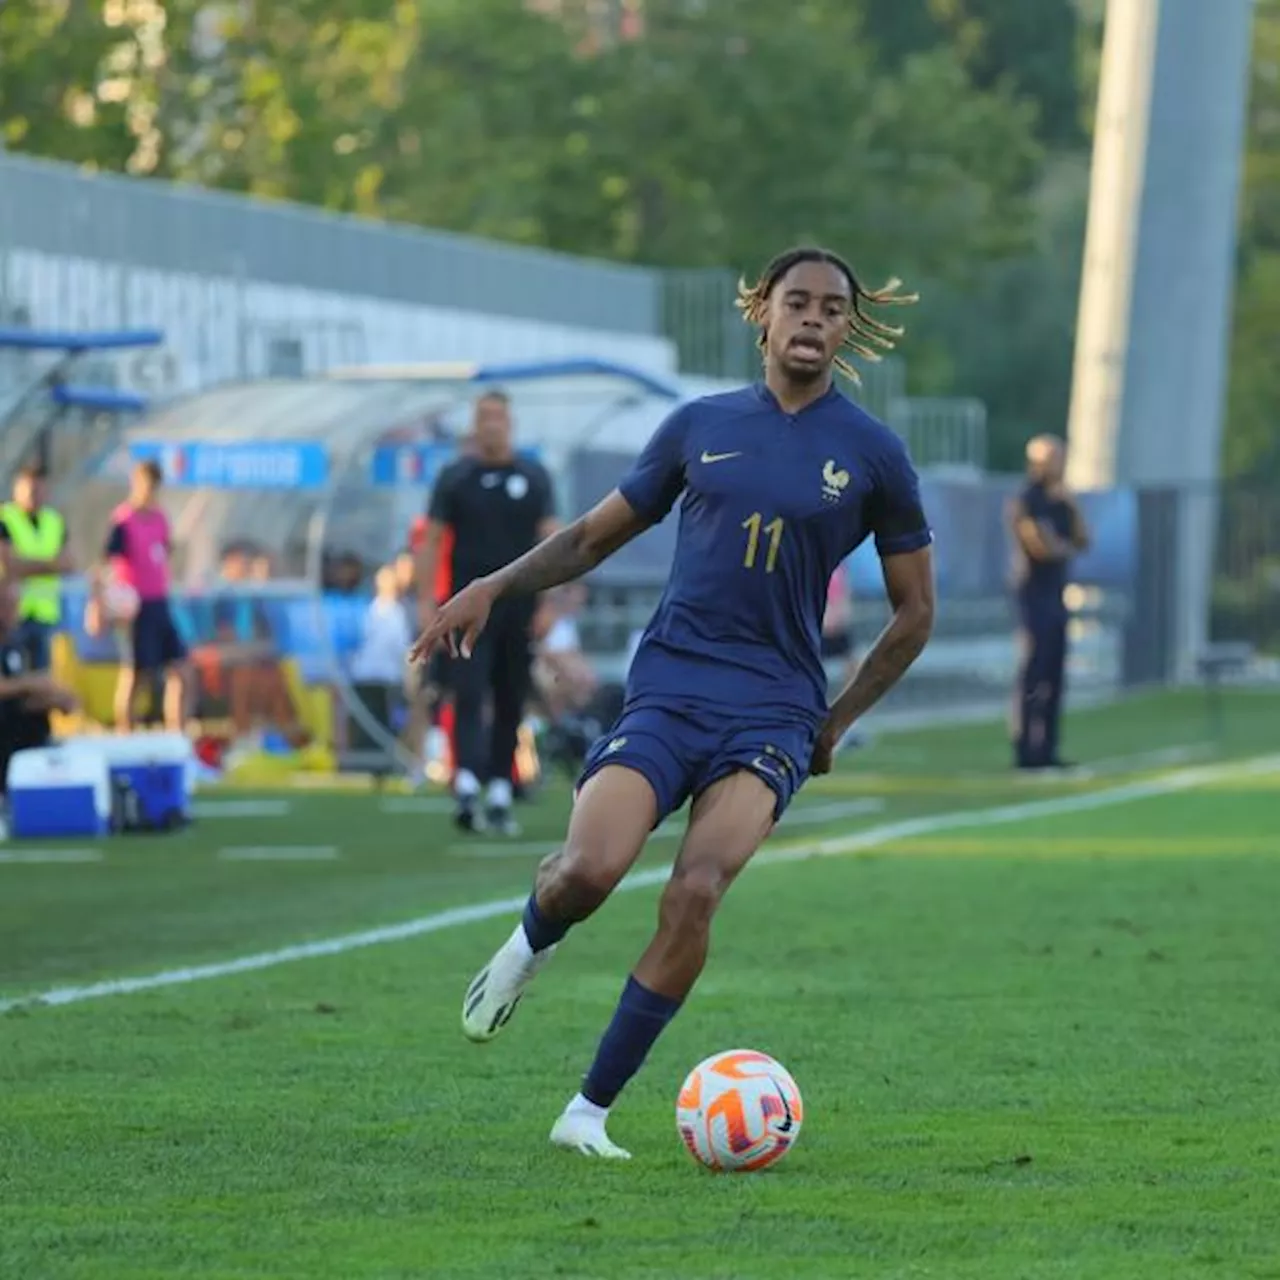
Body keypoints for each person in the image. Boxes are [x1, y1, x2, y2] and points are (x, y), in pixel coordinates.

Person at [410, 246, 936, 1159]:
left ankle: (588, 1113)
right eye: (796, 302)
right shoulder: (697, 425)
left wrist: (835, 720)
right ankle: (529, 944)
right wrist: (490, 587)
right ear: (762, 314)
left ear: (848, 329)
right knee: (587, 872)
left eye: (832, 308)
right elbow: (586, 540)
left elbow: (915, 611)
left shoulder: (873, 454)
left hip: (772, 711)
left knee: (695, 892)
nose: (813, 318)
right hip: (669, 690)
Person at [415, 392, 558, 835]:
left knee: (511, 695)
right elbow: (432, 540)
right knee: (469, 691)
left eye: (497, 417)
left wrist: (550, 603)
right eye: (483, 418)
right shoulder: (455, 478)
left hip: (519, 606)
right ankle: (466, 782)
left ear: (509, 422)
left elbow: (554, 541)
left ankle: (500, 788)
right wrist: (426, 601)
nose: (491, 425)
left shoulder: (533, 478)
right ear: (475, 426)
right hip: (467, 607)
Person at [86, 459, 190, 733]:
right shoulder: (124, 521)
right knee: (134, 673)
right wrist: (98, 604)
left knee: (179, 670)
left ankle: (177, 736)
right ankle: (125, 735)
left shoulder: (160, 520)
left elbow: (164, 556)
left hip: (159, 603)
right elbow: (103, 566)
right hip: (134, 607)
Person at [1008, 434, 1091, 770]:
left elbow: (1083, 540)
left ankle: (1049, 748)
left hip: (1057, 594)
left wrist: (1072, 505)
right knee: (1033, 670)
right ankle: (1025, 748)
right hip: (1032, 594)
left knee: (1056, 672)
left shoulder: (1062, 501)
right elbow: (1040, 547)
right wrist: (1061, 548)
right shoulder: (1026, 499)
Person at [0, 581, 77, 795]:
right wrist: (32, 683)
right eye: (4, 605)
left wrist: (57, 698)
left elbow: (27, 697)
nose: (10, 612)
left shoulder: (23, 643)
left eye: (13, 605)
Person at [0, 463, 74, 670]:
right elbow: (10, 565)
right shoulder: (5, 518)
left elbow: (68, 563)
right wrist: (50, 565)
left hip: (44, 614)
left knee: (41, 676)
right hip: (10, 615)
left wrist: (28, 565)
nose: (35, 495)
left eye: (40, 489)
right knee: (13, 675)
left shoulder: (54, 521)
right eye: (31, 490)